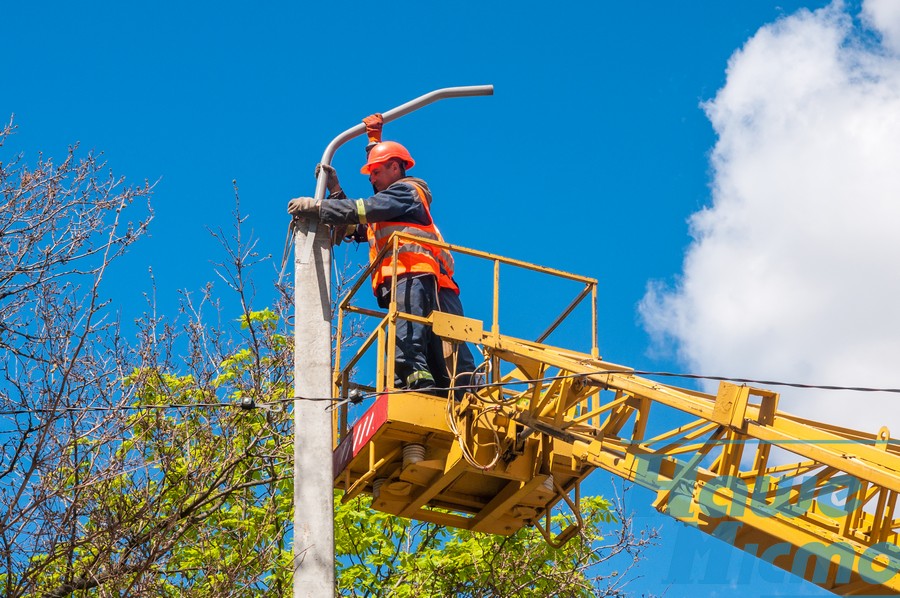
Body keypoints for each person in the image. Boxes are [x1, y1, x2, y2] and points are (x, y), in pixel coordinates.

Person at [287, 116, 479, 396]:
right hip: (416, 279)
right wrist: (337, 190)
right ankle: (436, 390)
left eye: (375, 171)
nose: (371, 178)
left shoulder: (408, 193)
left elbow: (368, 208)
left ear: (395, 167)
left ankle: (423, 385)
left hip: (417, 274)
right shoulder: (393, 206)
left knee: (421, 340)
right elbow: (362, 224)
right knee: (434, 346)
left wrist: (320, 207)